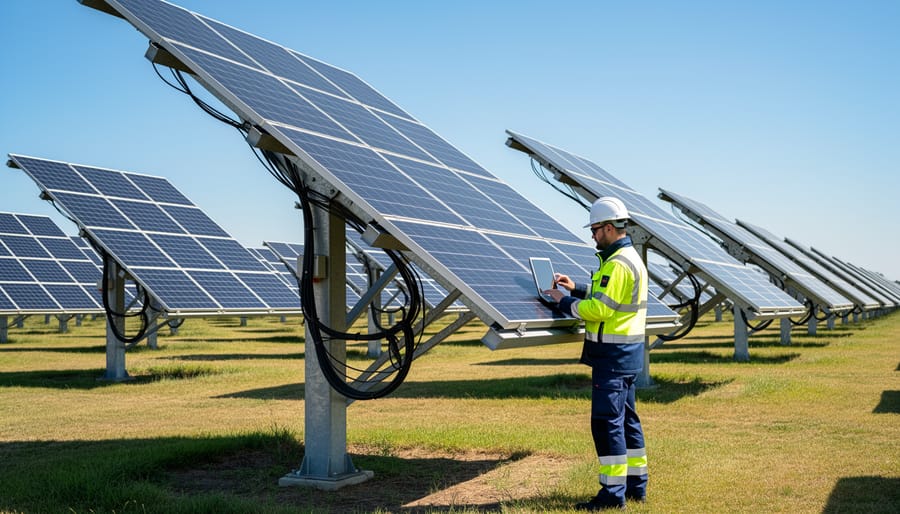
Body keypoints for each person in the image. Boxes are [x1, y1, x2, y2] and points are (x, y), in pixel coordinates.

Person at [544, 196, 649, 511]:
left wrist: (561, 300)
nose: (592, 235)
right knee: (627, 420)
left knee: (607, 424)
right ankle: (636, 486)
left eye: (594, 229)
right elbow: (609, 296)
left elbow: (601, 308)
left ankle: (612, 495)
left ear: (607, 227)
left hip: (612, 359)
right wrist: (575, 287)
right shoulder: (629, 259)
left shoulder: (617, 264)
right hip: (627, 356)